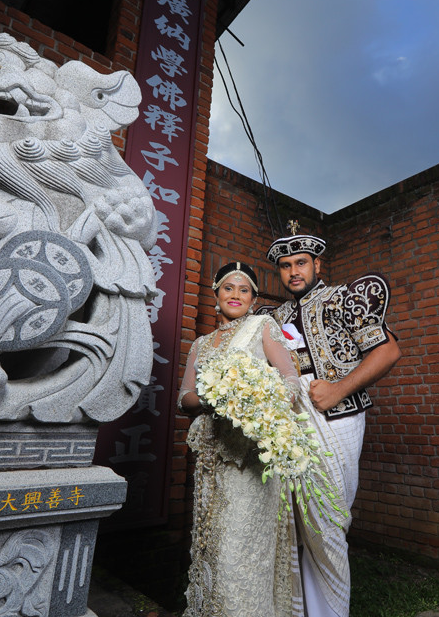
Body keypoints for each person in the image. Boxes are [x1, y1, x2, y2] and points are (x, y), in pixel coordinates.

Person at [258, 231, 402, 617]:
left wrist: (338, 389)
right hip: (289, 427)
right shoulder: (274, 318)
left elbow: (388, 350)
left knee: (327, 518)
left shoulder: (342, 299)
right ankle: (299, 610)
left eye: (301, 263)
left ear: (317, 265)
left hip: (336, 418)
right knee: (293, 520)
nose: (293, 271)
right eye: (285, 266)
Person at [177, 261, 305, 617]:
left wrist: (261, 405)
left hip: (250, 457)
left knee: (240, 550)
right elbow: (184, 398)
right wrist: (214, 396)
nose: (236, 295)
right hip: (211, 462)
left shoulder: (262, 327)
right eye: (228, 288)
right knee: (212, 547)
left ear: (253, 299)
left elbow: (291, 380)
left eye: (244, 289)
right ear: (216, 294)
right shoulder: (201, 344)